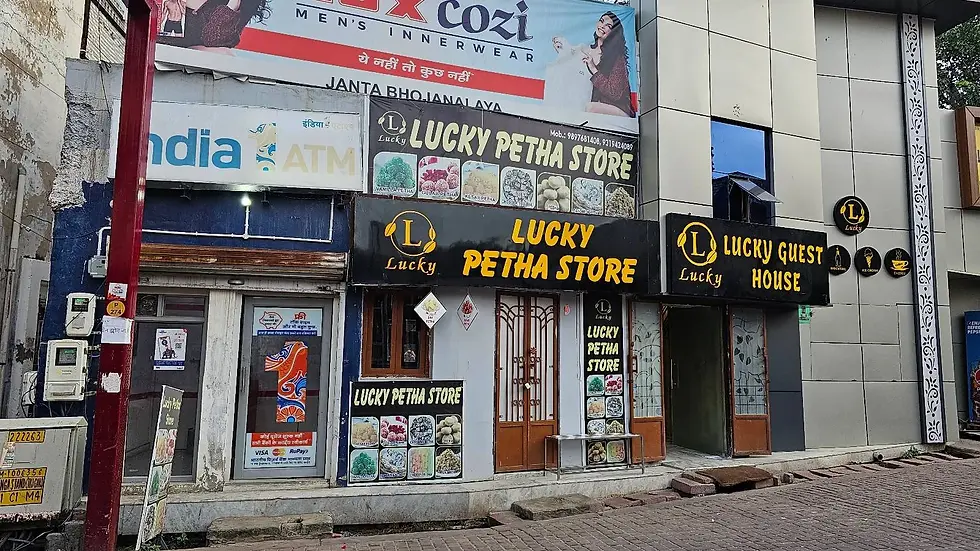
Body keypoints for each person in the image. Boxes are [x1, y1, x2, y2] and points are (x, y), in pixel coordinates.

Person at [157, 0, 272, 54]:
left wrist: (231, 7)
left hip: (192, 63)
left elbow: (215, 41)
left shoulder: (245, 4)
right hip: (155, 50)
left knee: (222, 54)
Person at [582, 12, 635, 117]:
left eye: (608, 26)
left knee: (590, 108)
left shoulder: (618, 58)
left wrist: (593, 68)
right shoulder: (586, 50)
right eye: (602, 21)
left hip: (619, 110)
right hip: (597, 105)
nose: (602, 26)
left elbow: (614, 93)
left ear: (613, 33)